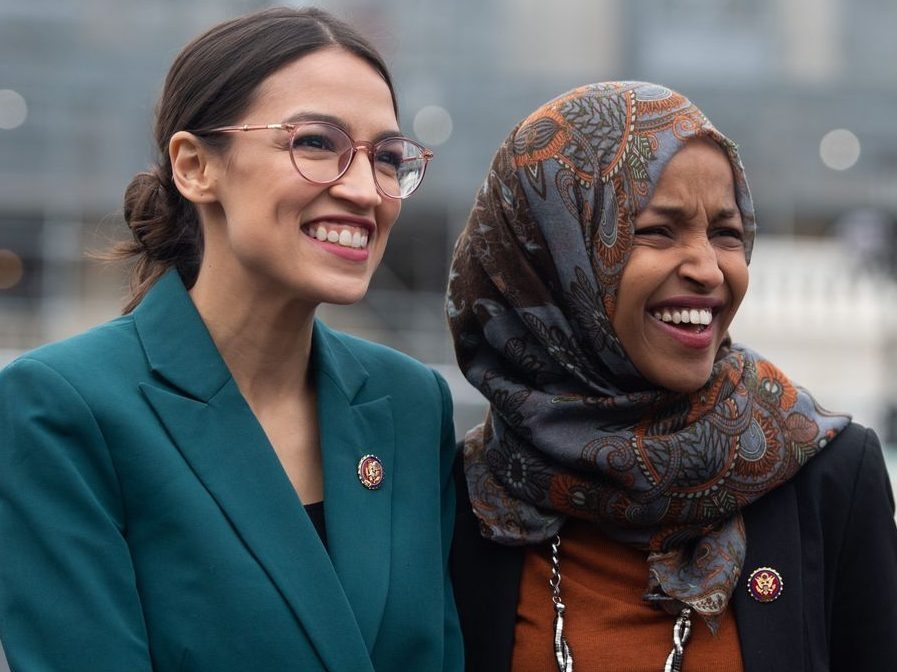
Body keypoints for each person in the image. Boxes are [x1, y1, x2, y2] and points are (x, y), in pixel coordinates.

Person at [0, 7, 462, 671]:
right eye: (315, 143)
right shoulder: (63, 407)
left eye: (388, 158)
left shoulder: (411, 403)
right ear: (194, 167)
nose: (366, 190)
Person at [446, 80, 897, 671]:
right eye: (658, 230)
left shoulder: (829, 479)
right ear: (550, 255)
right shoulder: (466, 498)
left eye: (727, 233)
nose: (709, 270)